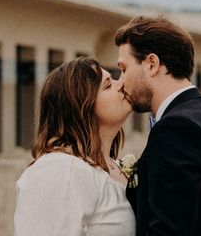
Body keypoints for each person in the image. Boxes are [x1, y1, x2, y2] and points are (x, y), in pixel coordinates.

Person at [115, 16, 201, 236]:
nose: (121, 80)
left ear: (152, 64)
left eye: (124, 69)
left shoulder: (177, 129)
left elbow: (168, 230)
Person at [14, 57, 136, 236]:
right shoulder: (60, 169)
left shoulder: (112, 168)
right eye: (108, 85)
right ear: (82, 106)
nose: (121, 84)